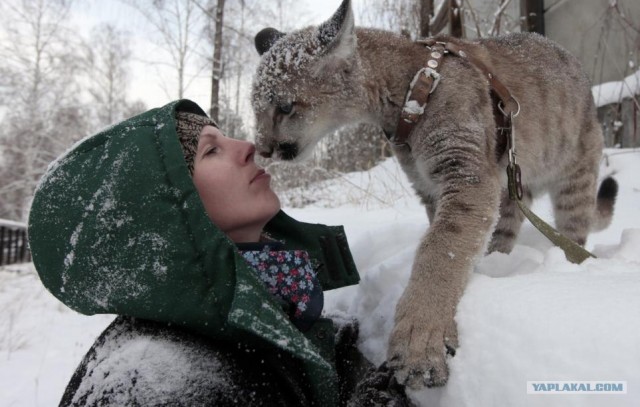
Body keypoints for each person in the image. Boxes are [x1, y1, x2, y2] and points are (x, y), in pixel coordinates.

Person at [28, 100, 412, 406]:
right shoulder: (151, 388)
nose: (246, 146)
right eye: (210, 151)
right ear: (162, 215)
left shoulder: (276, 308)